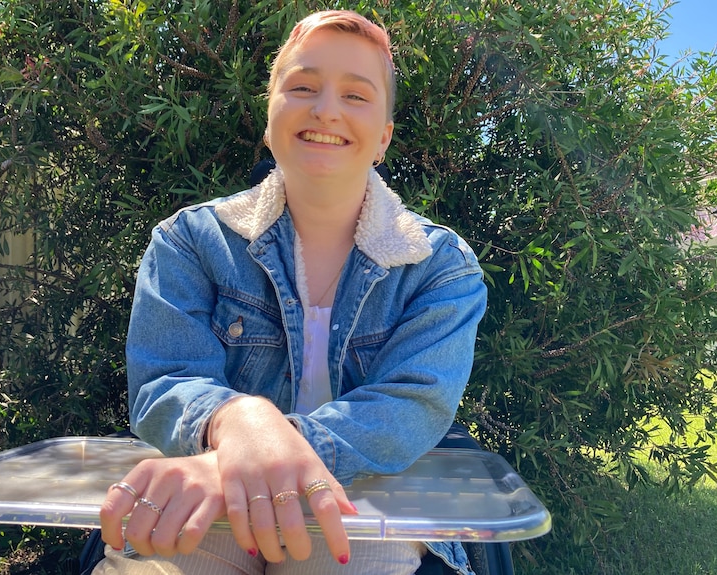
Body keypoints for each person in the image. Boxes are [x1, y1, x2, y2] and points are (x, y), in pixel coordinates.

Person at [95, 9, 487, 575]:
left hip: (367, 500)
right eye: (303, 86)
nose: (326, 108)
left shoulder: (439, 267)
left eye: (356, 95)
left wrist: (263, 452)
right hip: (212, 498)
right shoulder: (188, 243)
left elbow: (413, 407)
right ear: (269, 116)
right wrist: (240, 422)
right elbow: (164, 383)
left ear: (383, 137)